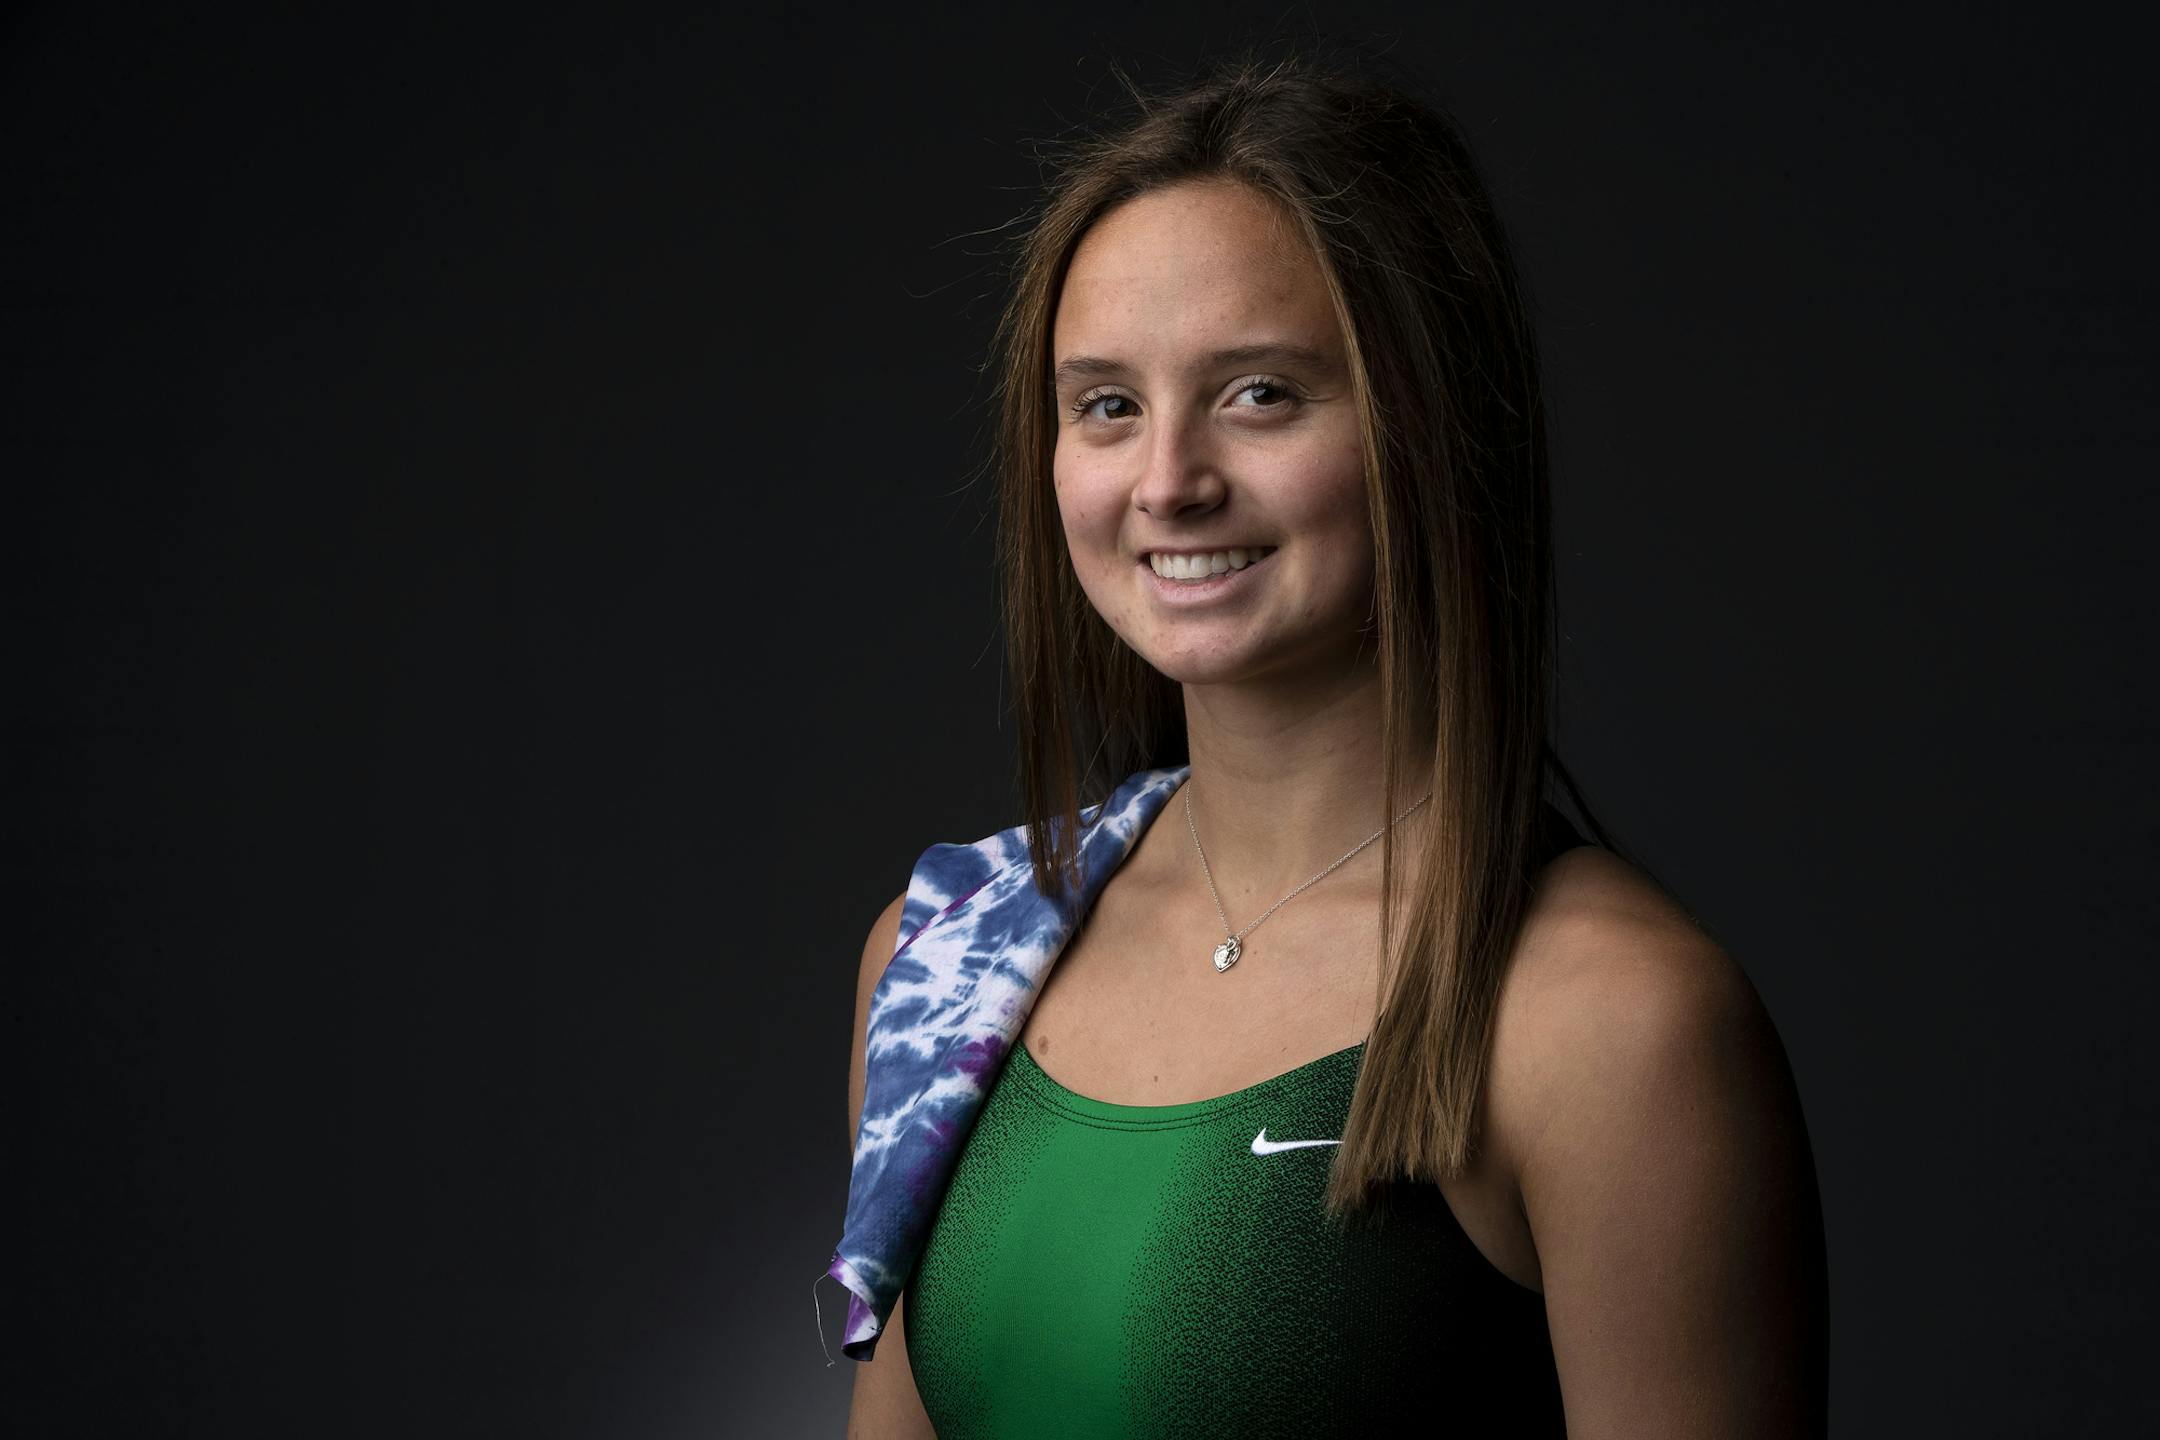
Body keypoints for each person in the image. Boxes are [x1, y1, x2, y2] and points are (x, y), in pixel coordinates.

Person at [827, 48, 1828, 1438]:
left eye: (1260, 393)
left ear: (1430, 423)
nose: (1168, 481)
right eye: (1107, 404)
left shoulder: (1612, 1024)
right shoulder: (946, 961)